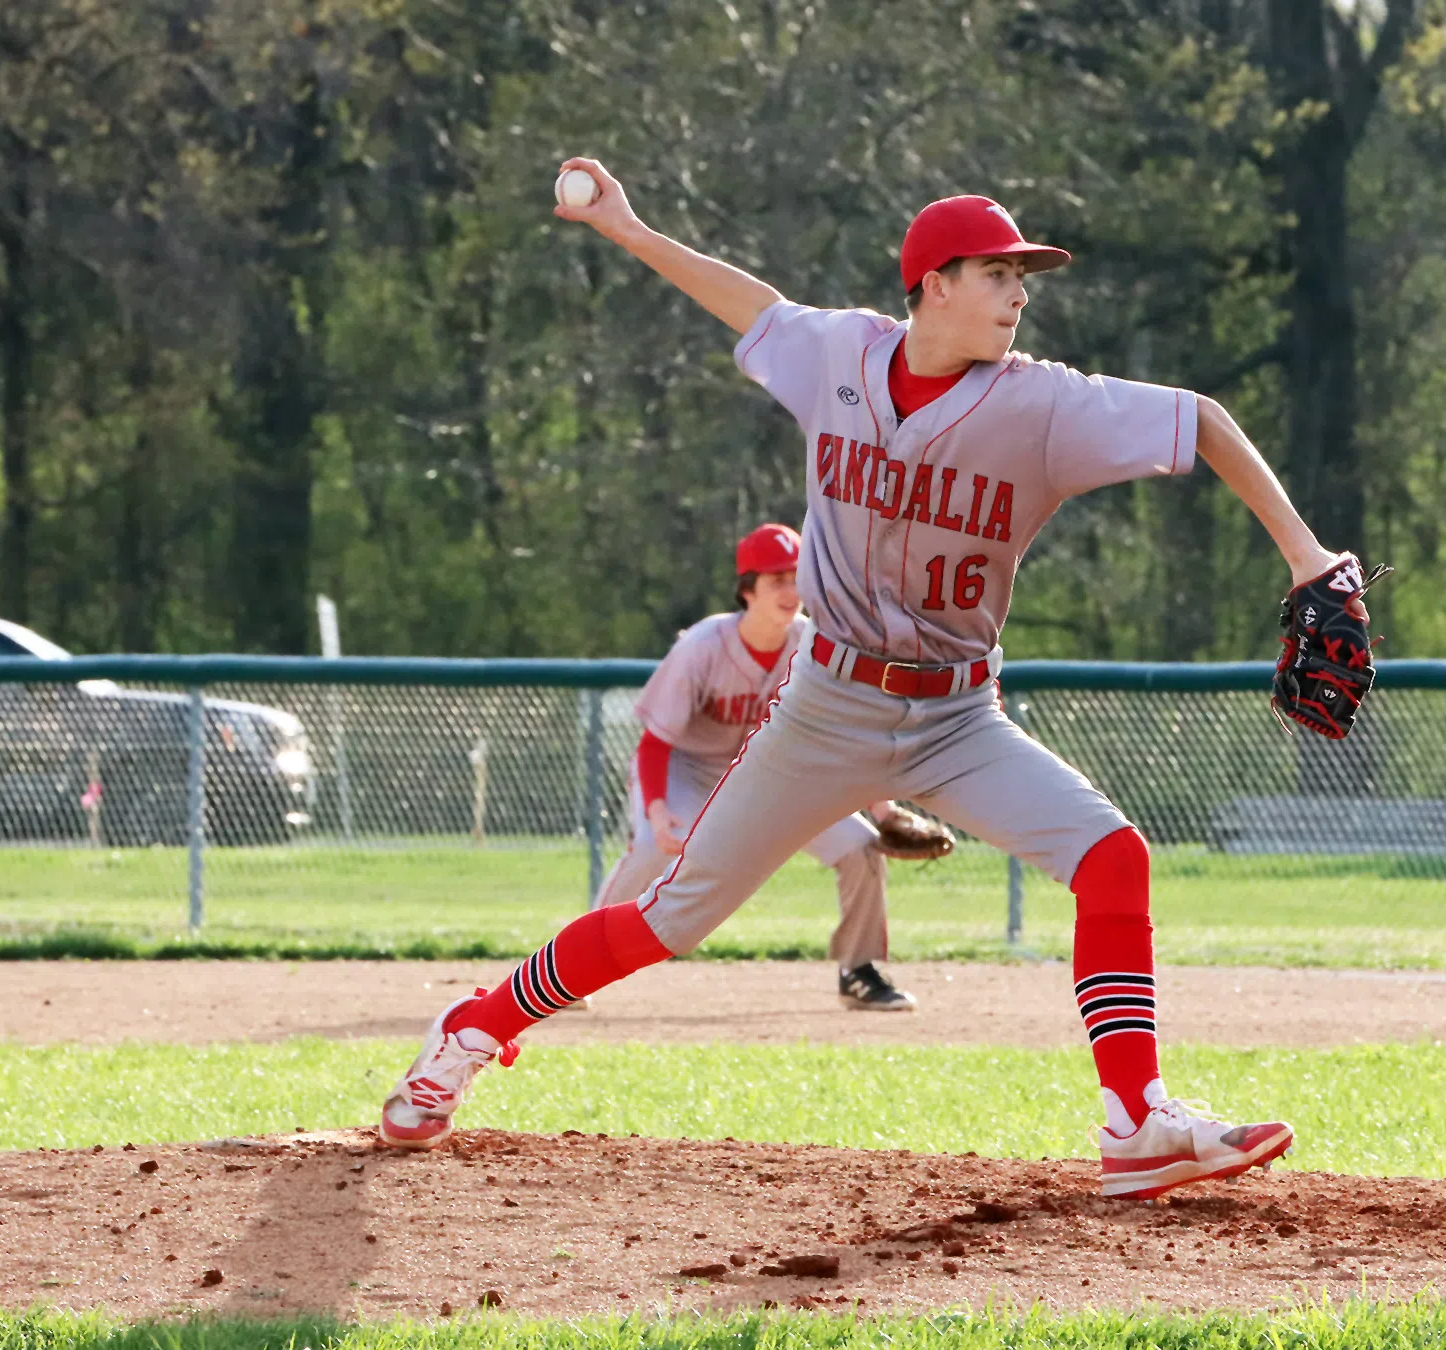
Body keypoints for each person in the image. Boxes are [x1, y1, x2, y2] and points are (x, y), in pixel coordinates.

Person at [380, 158, 1364, 1200]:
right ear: (935, 282)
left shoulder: (1042, 407)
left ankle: (1133, 1121)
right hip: (827, 709)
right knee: (670, 919)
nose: (1021, 293)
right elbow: (748, 303)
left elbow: (1201, 419)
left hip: (956, 717)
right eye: (999, 273)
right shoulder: (838, 355)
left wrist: (1314, 562)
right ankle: (473, 1028)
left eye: (1024, 277)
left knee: (1114, 857)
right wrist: (629, 229)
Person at [582, 520, 917, 1012]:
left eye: (796, 576)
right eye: (775, 579)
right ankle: (578, 962)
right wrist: (656, 813)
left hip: (776, 775)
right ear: (747, 591)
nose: (791, 589)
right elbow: (655, 745)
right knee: (656, 847)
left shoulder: (817, 644)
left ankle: (859, 970)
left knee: (862, 848)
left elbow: (848, 734)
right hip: (690, 771)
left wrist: (885, 811)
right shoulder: (701, 647)